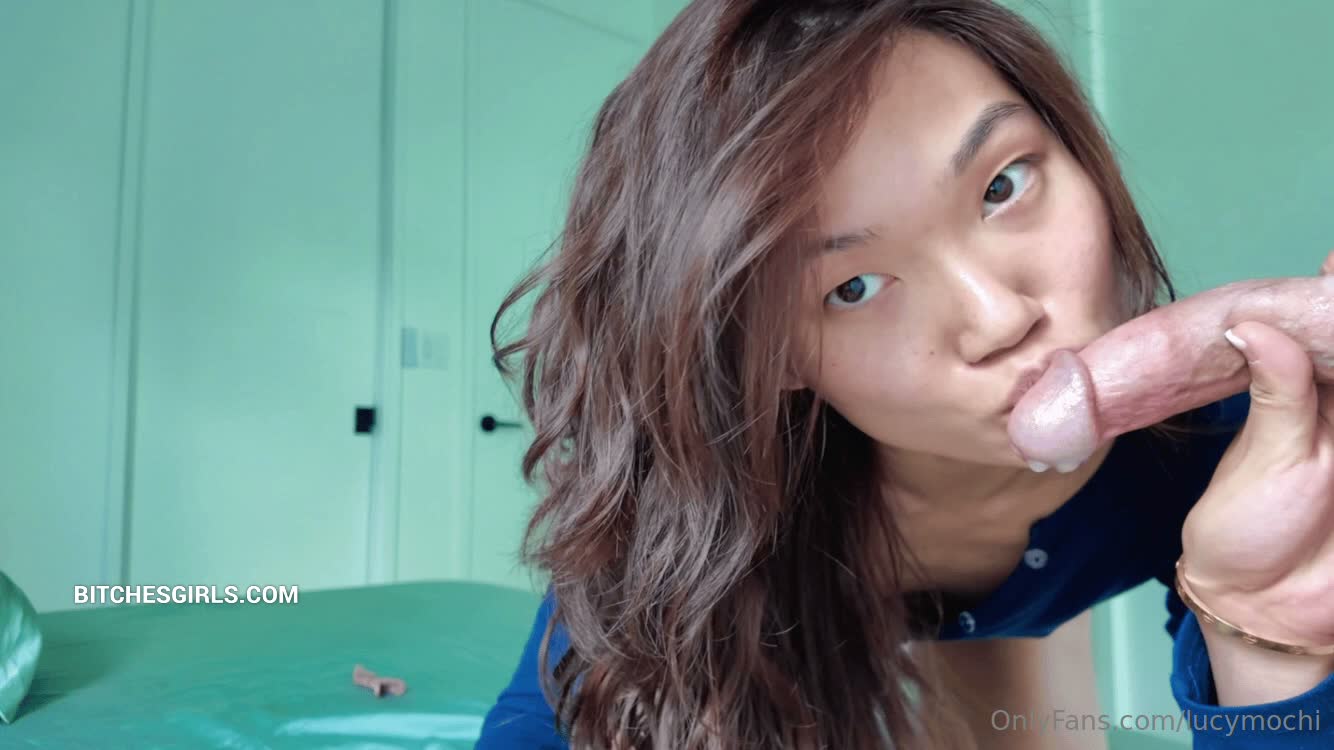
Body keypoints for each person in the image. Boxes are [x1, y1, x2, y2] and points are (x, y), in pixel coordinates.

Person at [475, 1, 1334, 747]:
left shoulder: (1227, 451)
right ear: (773, 357)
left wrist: (1262, 629)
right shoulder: (709, 508)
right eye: (851, 288)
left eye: (1002, 186)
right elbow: (546, 719)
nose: (1000, 318)